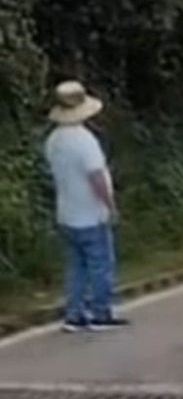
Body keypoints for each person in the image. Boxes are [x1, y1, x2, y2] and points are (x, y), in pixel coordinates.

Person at [45, 80, 130, 333]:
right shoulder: (85, 140)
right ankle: (100, 312)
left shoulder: (53, 140)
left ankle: (74, 313)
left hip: (66, 211)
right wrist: (110, 204)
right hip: (90, 213)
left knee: (75, 265)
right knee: (100, 263)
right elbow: (96, 177)